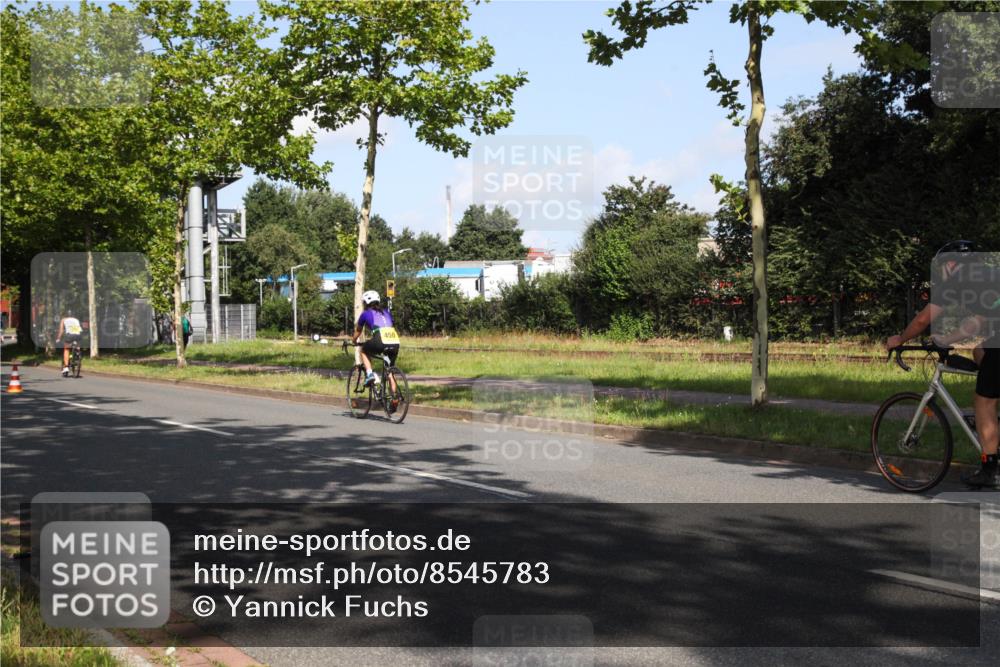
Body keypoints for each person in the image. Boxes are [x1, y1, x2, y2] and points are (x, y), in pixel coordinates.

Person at [886, 240, 999, 489]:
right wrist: (946, 339)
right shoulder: (987, 276)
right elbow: (977, 323)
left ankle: (990, 470)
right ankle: (990, 422)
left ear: (951, 264)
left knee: (984, 400)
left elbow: (923, 319)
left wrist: (900, 339)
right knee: (980, 351)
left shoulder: (956, 281)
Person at [351, 290, 400, 396]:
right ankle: (394, 398)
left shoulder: (365, 314)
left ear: (366, 303)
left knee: (363, 350)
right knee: (389, 371)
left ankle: (369, 375)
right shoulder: (386, 311)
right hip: (395, 340)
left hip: (380, 339)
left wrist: (353, 341)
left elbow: (358, 331)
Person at [56, 309, 83, 377]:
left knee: (66, 349)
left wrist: (58, 338)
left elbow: (61, 330)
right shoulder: (76, 320)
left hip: (69, 336)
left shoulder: (63, 319)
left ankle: (66, 367)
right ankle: (77, 354)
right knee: (77, 345)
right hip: (78, 335)